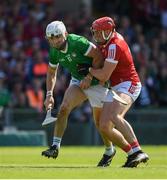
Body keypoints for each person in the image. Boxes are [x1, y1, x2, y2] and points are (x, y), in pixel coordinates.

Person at [41, 20, 138, 167]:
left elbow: (98, 57)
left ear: (65, 34)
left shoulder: (77, 42)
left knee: (101, 125)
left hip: (97, 83)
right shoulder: (54, 50)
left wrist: (89, 76)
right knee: (64, 108)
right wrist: (49, 94)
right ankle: (55, 146)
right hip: (78, 81)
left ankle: (120, 151)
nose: (55, 40)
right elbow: (51, 73)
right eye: (51, 38)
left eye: (57, 36)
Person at [78, 16, 149, 167]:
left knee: (115, 116)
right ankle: (131, 154)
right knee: (104, 126)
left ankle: (138, 151)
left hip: (129, 84)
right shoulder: (109, 42)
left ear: (109, 32)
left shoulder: (114, 45)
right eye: (95, 33)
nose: (96, 36)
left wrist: (89, 70)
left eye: (99, 33)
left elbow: (104, 76)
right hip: (116, 86)